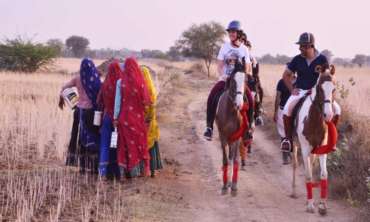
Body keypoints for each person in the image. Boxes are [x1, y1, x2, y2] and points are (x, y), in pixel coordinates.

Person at [281, 33, 341, 153]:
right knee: (287, 109)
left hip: (317, 93)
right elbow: (285, 75)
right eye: (300, 46)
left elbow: (327, 76)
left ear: (311, 46)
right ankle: (288, 140)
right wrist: (292, 89)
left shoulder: (322, 59)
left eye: (302, 46)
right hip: (301, 91)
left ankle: (330, 137)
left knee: (338, 110)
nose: (300, 48)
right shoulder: (297, 59)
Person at [203, 20, 252, 141]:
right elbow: (219, 64)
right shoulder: (224, 47)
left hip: (239, 81)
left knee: (250, 98)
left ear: (239, 34)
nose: (231, 34)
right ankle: (209, 127)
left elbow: (247, 67)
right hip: (226, 79)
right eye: (230, 32)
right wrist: (223, 75)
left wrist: (245, 76)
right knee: (212, 96)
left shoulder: (244, 49)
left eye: (234, 32)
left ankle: (249, 128)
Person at [60, 58, 102, 174]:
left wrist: (73, 100)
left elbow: (64, 87)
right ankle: (94, 167)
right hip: (92, 112)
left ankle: (83, 167)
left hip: (79, 111)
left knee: (82, 137)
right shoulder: (95, 79)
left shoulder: (78, 78)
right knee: (93, 137)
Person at [113, 58, 151, 178]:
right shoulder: (141, 81)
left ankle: (124, 174)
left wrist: (115, 117)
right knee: (139, 143)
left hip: (124, 118)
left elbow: (117, 103)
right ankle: (140, 172)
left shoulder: (120, 82)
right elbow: (146, 101)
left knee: (124, 144)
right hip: (138, 118)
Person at [97, 60, 122, 179]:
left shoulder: (105, 84)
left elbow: (99, 101)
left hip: (107, 117)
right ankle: (116, 172)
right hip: (118, 119)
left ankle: (102, 172)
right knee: (116, 144)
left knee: (105, 144)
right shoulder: (121, 84)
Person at [141, 66, 163, 177]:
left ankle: (145, 170)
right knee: (152, 146)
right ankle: (153, 170)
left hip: (145, 121)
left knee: (145, 145)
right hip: (151, 122)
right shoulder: (151, 89)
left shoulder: (142, 89)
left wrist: (147, 118)